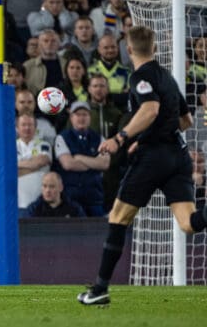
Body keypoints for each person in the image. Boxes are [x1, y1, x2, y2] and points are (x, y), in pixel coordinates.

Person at [78, 26, 207, 305]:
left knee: (118, 218)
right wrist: (149, 136)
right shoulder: (168, 78)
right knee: (189, 224)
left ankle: (99, 289)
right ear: (156, 48)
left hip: (154, 159)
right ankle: (98, 289)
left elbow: (150, 109)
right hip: (178, 155)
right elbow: (186, 121)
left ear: (128, 50)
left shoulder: (140, 77)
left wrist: (121, 137)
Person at [16, 113, 51, 217]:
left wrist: (17, 165)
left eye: (30, 125)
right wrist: (34, 166)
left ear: (35, 128)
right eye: (23, 125)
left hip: (40, 202)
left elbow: (41, 162)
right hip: (20, 202)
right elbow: (8, 170)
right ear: (17, 128)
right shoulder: (10, 146)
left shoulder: (44, 145)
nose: (27, 128)